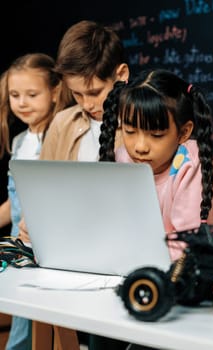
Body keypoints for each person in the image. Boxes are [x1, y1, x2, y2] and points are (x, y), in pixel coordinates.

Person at [99, 69, 213, 260]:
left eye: (156, 135)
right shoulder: (120, 157)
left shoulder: (191, 164)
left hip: (208, 270)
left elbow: (186, 247)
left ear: (183, 133)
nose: (140, 147)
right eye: (130, 131)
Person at [16, 20, 129, 244]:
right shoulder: (62, 123)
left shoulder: (142, 126)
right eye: (77, 94)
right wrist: (33, 221)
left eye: (95, 92)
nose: (87, 104)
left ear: (121, 74)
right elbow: (43, 190)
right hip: (68, 244)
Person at [0, 53, 73, 350]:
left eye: (32, 94)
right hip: (18, 248)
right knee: (23, 323)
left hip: (43, 249)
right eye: (15, 96)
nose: (22, 103)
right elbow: (14, 200)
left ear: (55, 92)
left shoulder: (57, 136)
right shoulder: (20, 143)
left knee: (35, 332)